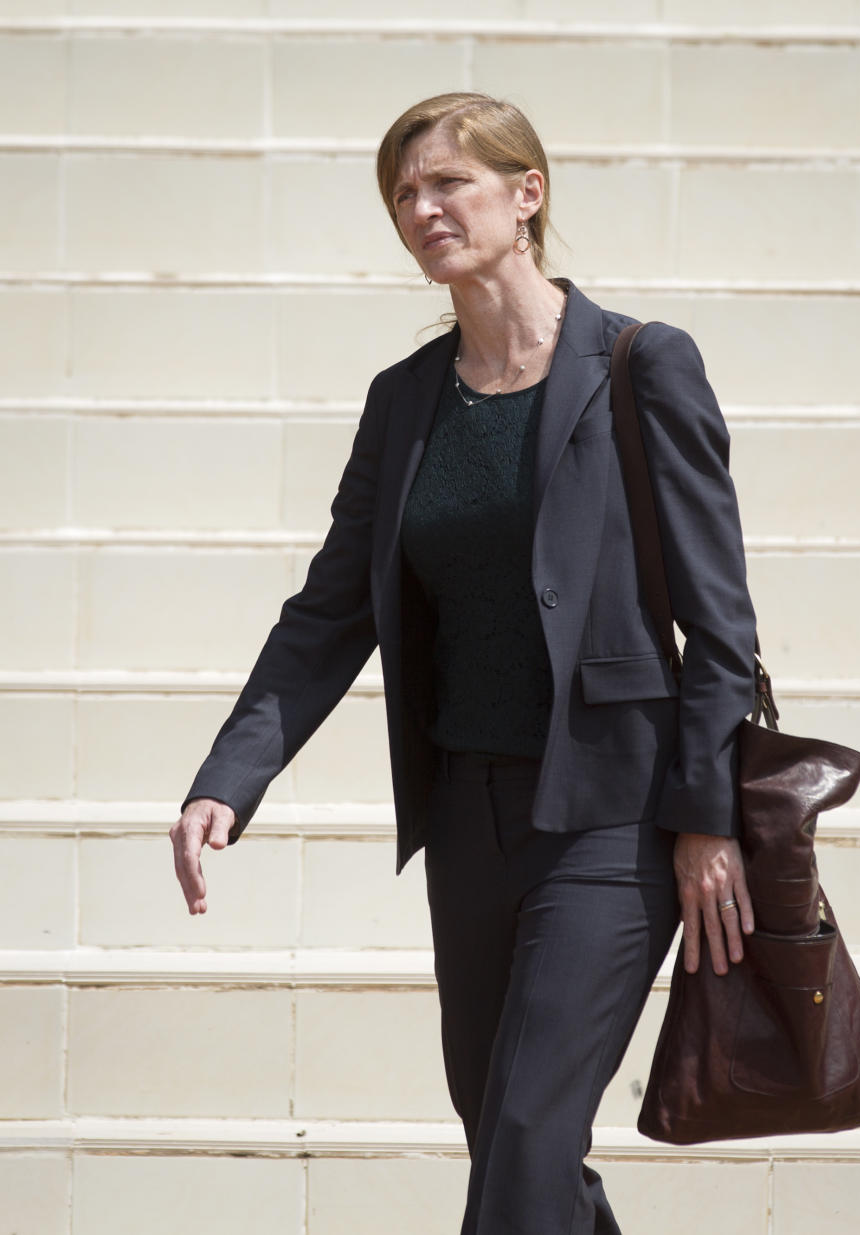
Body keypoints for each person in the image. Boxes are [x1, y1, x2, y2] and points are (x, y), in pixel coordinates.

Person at [170, 92, 758, 1235]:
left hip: (614, 811)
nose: (424, 207)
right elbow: (329, 612)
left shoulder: (640, 365)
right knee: (509, 1142)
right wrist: (226, 776)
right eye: (403, 192)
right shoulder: (405, 401)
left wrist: (706, 813)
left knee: (533, 1135)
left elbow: (722, 624)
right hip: (469, 816)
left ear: (526, 195)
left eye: (450, 182)